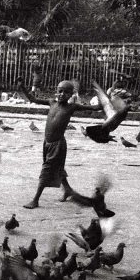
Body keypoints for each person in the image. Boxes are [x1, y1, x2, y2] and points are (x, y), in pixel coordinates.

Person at [23, 80, 103, 209]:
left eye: (66, 92)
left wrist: (104, 101)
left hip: (58, 145)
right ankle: (67, 190)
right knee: (58, 168)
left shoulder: (71, 107)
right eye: (60, 91)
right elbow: (33, 99)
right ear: (56, 91)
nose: (62, 94)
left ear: (71, 94)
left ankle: (35, 200)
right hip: (47, 143)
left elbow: (95, 108)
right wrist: (22, 86)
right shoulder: (52, 103)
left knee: (47, 169)